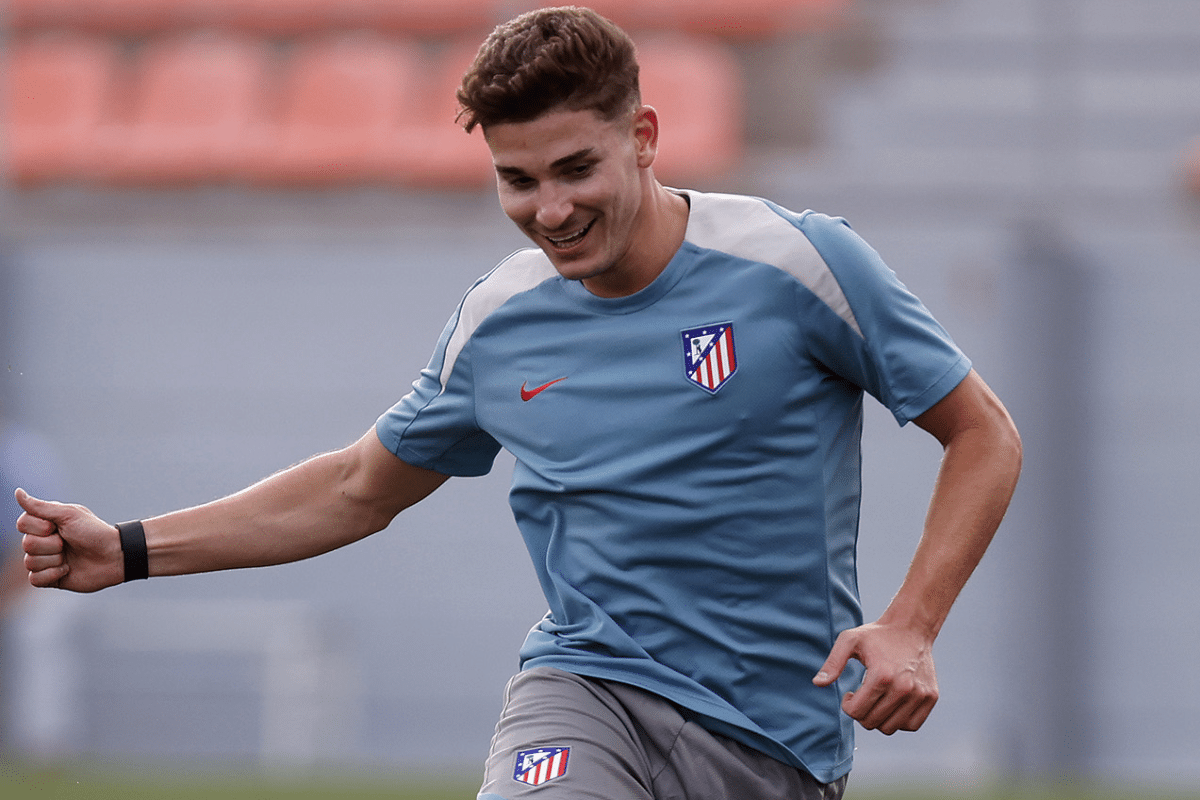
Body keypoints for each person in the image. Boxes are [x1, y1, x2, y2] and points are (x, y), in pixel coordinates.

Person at [16, 7, 1022, 799]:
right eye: (516, 179)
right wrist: (132, 547)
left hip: (775, 736)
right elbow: (358, 485)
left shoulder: (798, 262)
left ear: (644, 136)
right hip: (585, 690)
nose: (550, 209)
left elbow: (983, 433)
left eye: (576, 168)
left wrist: (912, 622)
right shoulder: (499, 321)